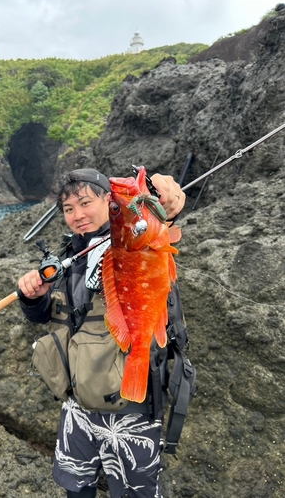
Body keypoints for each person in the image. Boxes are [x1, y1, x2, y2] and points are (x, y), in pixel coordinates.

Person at [18, 169, 185, 498]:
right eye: (68, 209)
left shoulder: (135, 232)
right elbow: (52, 316)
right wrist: (33, 298)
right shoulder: (68, 257)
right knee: (75, 490)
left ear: (109, 200)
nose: (77, 215)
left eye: (85, 203)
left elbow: (165, 203)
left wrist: (162, 193)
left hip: (131, 408)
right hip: (77, 406)